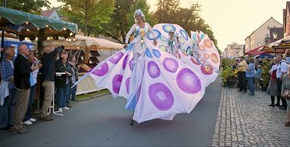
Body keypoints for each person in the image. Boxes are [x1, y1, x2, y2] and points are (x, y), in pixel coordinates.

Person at [74, 9, 208, 124]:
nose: (137, 18)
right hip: (137, 45)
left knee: (151, 59)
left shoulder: (147, 25)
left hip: (145, 46)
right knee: (137, 60)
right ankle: (137, 71)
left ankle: (145, 71)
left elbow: (152, 33)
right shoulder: (135, 26)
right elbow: (128, 34)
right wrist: (126, 42)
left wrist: (155, 39)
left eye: (138, 16)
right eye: (136, 17)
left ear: (141, 16)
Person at [11, 44, 40, 134]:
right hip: (23, 85)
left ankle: (17, 124)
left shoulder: (22, 59)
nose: (28, 50)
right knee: (21, 106)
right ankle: (17, 126)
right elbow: (23, 72)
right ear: (22, 50)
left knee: (21, 106)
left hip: (23, 85)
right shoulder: (20, 59)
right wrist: (33, 69)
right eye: (27, 49)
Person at [39, 45, 64, 121]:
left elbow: (56, 66)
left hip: (49, 80)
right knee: (48, 98)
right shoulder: (46, 58)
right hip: (47, 80)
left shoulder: (49, 59)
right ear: (46, 51)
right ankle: (43, 114)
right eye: (49, 49)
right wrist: (60, 47)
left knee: (49, 98)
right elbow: (55, 52)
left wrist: (61, 58)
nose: (51, 50)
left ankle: (44, 112)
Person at [0, 46, 16, 130]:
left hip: (15, 86)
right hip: (7, 87)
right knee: (5, 105)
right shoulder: (3, 63)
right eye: (12, 51)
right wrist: (12, 78)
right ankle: (3, 124)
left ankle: (11, 122)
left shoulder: (14, 62)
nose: (14, 52)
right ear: (7, 53)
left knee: (12, 104)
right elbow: (4, 76)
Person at [23, 50, 41, 125]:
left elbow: (39, 63)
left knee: (31, 100)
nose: (33, 57)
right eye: (31, 55)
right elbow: (29, 71)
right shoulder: (27, 63)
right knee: (27, 101)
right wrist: (36, 66)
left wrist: (35, 60)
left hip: (34, 83)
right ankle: (25, 118)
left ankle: (29, 116)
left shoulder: (34, 62)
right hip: (29, 83)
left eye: (33, 55)